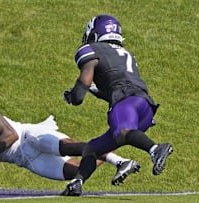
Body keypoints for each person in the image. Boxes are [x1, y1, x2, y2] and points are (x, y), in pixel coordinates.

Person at [0, 88, 141, 193]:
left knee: (69, 146)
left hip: (28, 137)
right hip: (24, 160)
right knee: (76, 171)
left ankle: (119, 160)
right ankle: (112, 146)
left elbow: (9, 136)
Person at [61, 14, 173, 196]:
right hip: (143, 108)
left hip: (126, 103)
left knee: (122, 132)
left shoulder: (91, 49)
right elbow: (116, 85)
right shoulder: (125, 53)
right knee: (92, 148)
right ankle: (77, 182)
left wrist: (73, 96)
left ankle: (154, 149)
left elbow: (82, 88)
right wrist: (94, 91)